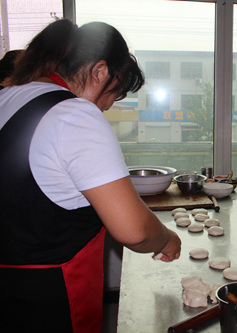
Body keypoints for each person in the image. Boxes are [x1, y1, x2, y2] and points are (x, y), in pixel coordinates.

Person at [0, 19, 181, 333]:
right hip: (49, 301)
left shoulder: (9, 97)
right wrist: (166, 238)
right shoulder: (74, 114)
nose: (109, 105)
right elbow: (134, 230)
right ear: (100, 72)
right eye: (117, 92)